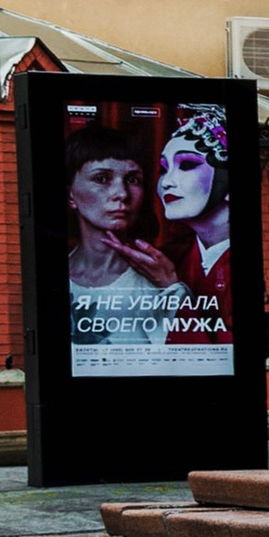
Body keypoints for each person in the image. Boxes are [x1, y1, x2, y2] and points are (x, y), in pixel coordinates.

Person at [67, 136, 182, 370]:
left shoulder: (158, 278)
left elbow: (186, 361)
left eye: (133, 180)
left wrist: (171, 288)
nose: (122, 194)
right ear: (71, 195)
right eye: (102, 179)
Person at [156, 106, 233, 351]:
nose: (167, 182)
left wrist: (171, 290)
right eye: (163, 169)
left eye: (187, 164)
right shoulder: (169, 256)